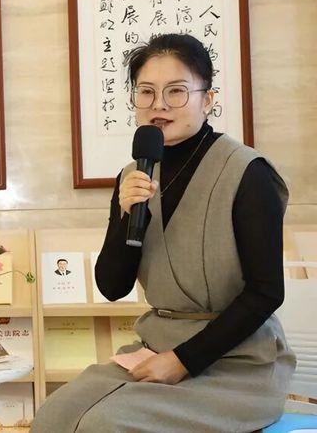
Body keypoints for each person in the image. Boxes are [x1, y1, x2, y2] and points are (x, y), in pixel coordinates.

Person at [32, 33, 294, 432]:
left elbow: (267, 292)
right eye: (146, 92)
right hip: (155, 349)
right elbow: (112, 286)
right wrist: (125, 215)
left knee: (103, 424)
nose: (159, 105)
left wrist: (183, 360)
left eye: (176, 91)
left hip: (237, 365)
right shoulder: (133, 174)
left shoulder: (248, 172)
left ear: (207, 99)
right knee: (53, 415)